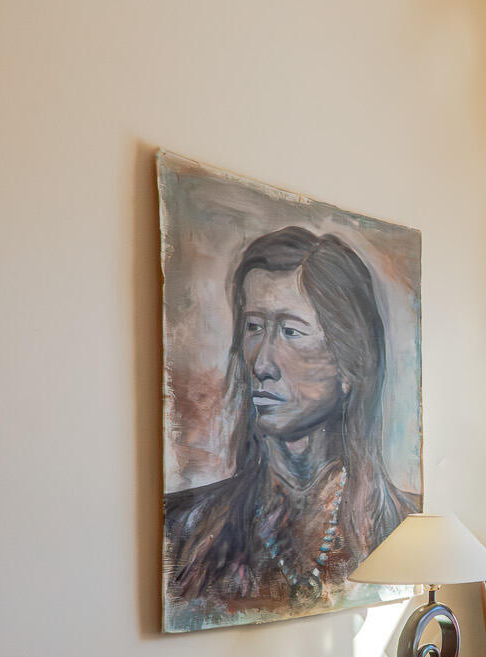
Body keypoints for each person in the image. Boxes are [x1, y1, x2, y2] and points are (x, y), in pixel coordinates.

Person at [165, 226, 416, 621]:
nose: (262, 364)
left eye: (290, 331)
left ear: (350, 363)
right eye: (254, 328)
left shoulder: (407, 531)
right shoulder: (182, 530)